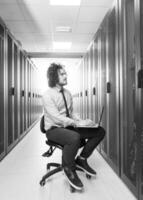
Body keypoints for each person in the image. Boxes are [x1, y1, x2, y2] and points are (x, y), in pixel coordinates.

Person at [42, 63, 106, 191]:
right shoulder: (47, 95)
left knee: (99, 131)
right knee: (74, 137)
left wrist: (82, 121)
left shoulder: (68, 93)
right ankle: (68, 168)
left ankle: (81, 159)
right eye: (62, 74)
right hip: (53, 129)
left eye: (65, 73)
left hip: (68, 127)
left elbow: (70, 113)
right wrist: (76, 124)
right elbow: (56, 118)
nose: (66, 76)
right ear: (54, 77)